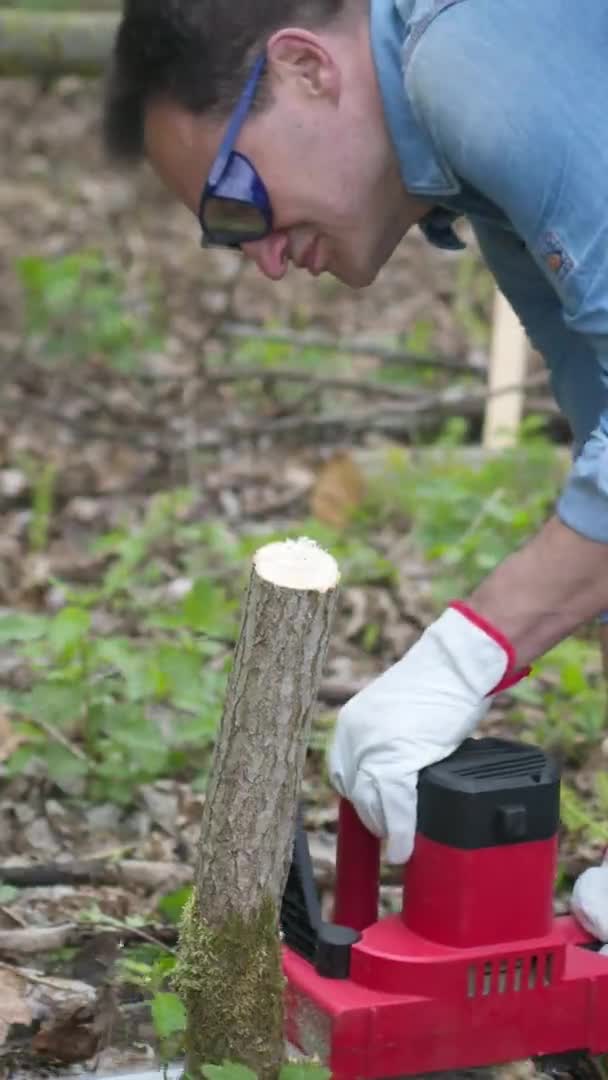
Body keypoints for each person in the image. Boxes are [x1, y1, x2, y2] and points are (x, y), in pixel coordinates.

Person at [103, 0, 608, 937]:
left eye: (235, 199)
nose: (260, 258)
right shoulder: (466, 160)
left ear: (305, 68)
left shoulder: (469, 55)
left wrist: (468, 651)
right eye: (223, 235)